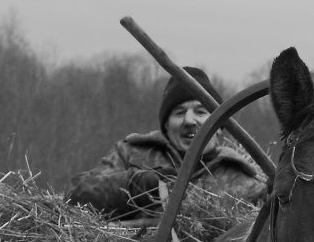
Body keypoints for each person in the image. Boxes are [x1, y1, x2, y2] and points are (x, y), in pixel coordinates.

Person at [65, 67, 266, 220]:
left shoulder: (246, 182)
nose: (189, 120)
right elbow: (75, 196)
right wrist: (138, 186)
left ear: (221, 126)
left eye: (201, 111)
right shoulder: (131, 153)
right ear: (166, 125)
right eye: (179, 112)